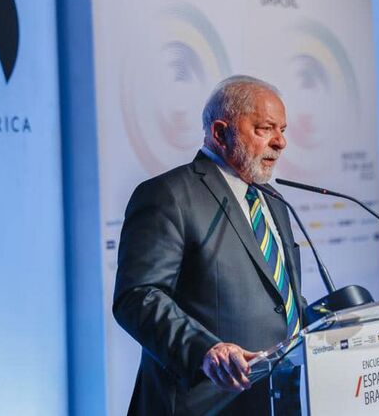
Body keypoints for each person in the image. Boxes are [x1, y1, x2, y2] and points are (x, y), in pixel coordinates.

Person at [113, 75, 306, 415]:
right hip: (205, 402)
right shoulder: (169, 195)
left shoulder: (273, 200)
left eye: (283, 130)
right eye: (265, 129)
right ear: (220, 133)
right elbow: (138, 296)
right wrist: (205, 350)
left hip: (275, 399)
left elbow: (282, 299)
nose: (280, 142)